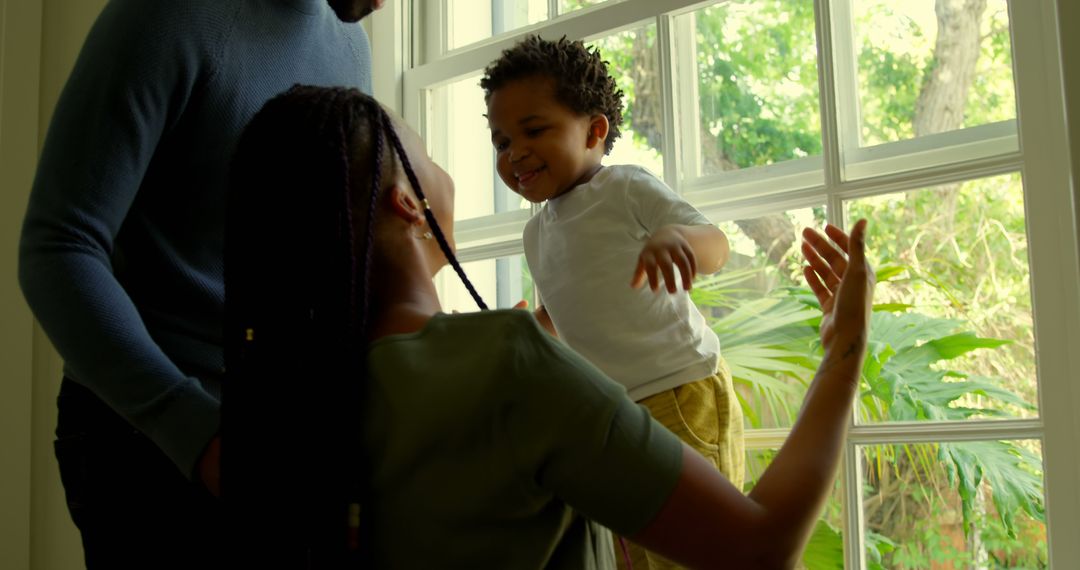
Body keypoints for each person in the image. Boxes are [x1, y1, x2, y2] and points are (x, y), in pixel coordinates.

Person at [225, 84, 874, 569]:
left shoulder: (275, 410)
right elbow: (761, 545)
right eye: (427, 153)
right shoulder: (508, 365)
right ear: (407, 202)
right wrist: (843, 347)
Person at [17, 1, 383, 567]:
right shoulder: (165, 15)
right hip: (147, 440)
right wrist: (193, 431)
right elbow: (59, 248)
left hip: (277, 437)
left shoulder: (351, 46)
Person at [480, 35, 744, 568]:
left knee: (700, 550)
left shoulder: (625, 188)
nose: (515, 154)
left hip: (681, 396)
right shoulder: (537, 235)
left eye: (534, 130)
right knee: (635, 554)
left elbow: (716, 244)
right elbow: (562, 313)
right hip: (612, 415)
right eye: (501, 141)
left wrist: (681, 241)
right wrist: (525, 334)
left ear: (595, 130)